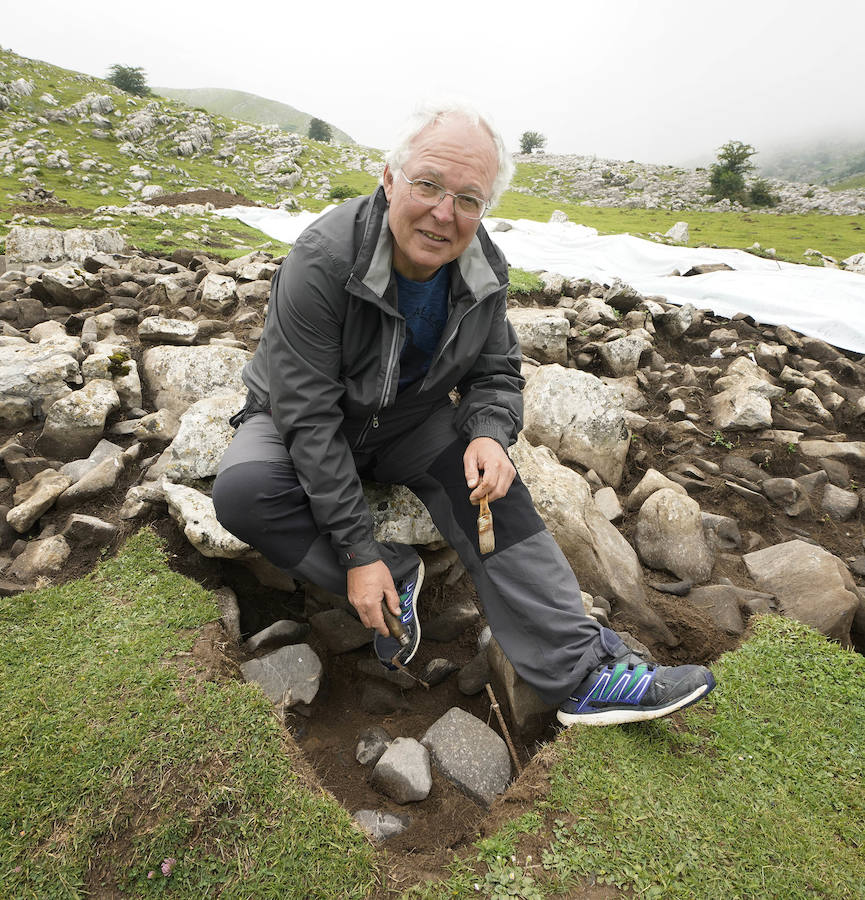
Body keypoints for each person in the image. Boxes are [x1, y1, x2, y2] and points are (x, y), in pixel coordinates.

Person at [212, 100, 715, 726]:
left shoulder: (483, 269)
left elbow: (496, 371)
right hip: (304, 416)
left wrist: (490, 434)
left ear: (484, 208)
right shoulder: (325, 259)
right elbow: (308, 418)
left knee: (493, 493)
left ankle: (584, 675)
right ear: (390, 178)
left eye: (469, 199)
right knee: (243, 491)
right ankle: (396, 571)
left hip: (409, 419)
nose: (444, 213)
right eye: (428, 185)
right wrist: (360, 555)